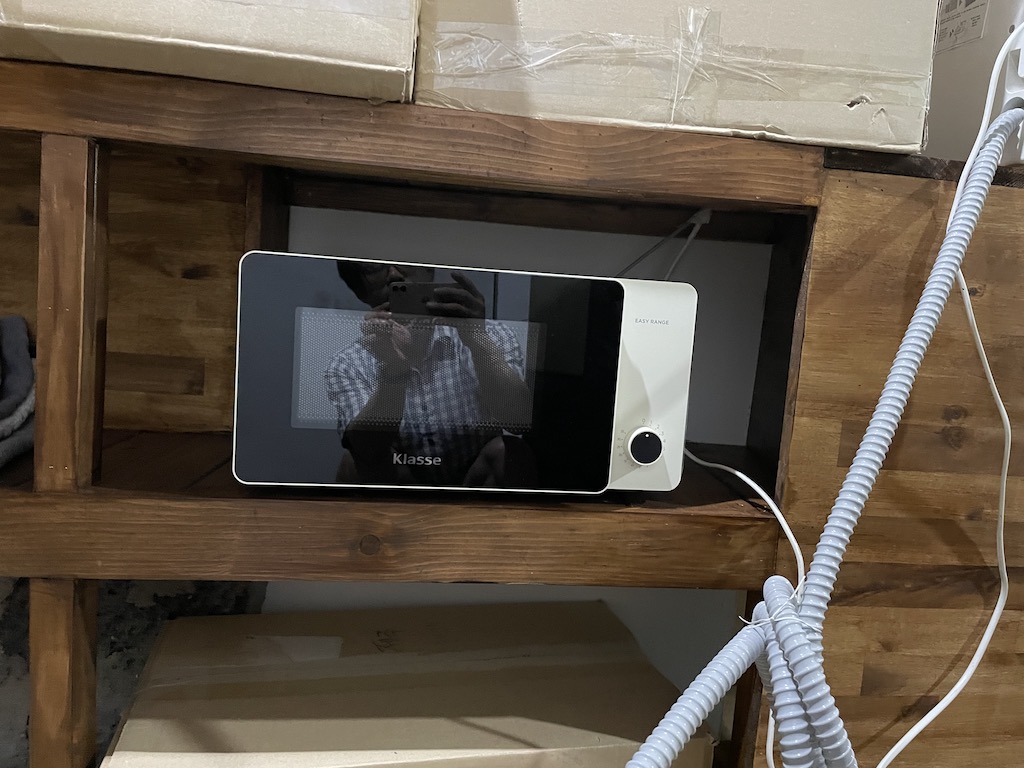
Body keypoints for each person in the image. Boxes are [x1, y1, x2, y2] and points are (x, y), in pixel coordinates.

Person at [325, 260, 535, 487]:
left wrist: (477, 339)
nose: (394, 274)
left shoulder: (489, 335)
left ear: (429, 270)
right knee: (353, 463)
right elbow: (367, 451)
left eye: (404, 261)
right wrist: (393, 369)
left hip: (475, 480)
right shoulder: (349, 363)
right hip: (403, 487)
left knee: (511, 452)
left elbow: (517, 421)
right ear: (360, 290)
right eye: (374, 268)